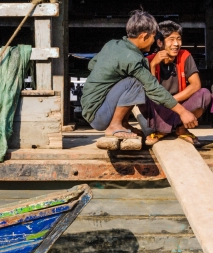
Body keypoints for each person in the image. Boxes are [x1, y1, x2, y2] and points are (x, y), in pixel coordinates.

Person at [81, 10, 198, 150]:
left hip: (90, 109)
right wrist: (182, 111)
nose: (155, 41)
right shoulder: (133, 59)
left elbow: (91, 64)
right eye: (153, 37)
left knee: (129, 79)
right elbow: (153, 88)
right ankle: (114, 125)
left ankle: (123, 124)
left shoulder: (112, 44)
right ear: (143, 36)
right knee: (135, 82)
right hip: (99, 115)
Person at [143, 21, 212, 147]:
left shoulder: (185, 56)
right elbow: (151, 90)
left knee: (205, 94)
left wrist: (171, 101)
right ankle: (160, 130)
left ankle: (180, 128)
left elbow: (196, 84)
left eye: (178, 39)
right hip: (158, 106)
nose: (176, 44)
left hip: (180, 105)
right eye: (171, 39)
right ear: (159, 43)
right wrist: (153, 66)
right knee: (142, 95)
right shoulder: (149, 60)